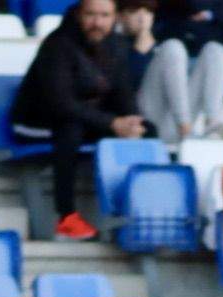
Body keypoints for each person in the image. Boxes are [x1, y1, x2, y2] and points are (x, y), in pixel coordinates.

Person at [10, 0, 151, 241]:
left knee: (148, 130)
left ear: (115, 17)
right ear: (78, 14)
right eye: (91, 15)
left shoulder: (116, 45)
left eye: (104, 16)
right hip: (37, 121)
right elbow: (60, 104)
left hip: (85, 120)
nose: (97, 23)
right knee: (70, 128)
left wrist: (130, 121)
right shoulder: (58, 44)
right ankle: (66, 217)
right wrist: (111, 124)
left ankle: (136, 214)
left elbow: (123, 93)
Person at [118, 0, 223, 147]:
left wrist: (150, 44)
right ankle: (185, 128)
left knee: (216, 50)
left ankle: (212, 123)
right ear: (120, 16)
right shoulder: (115, 45)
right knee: (173, 47)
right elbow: (125, 89)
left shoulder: (159, 40)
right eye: (134, 11)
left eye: (147, 12)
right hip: (145, 123)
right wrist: (140, 47)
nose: (142, 17)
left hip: (175, 122)